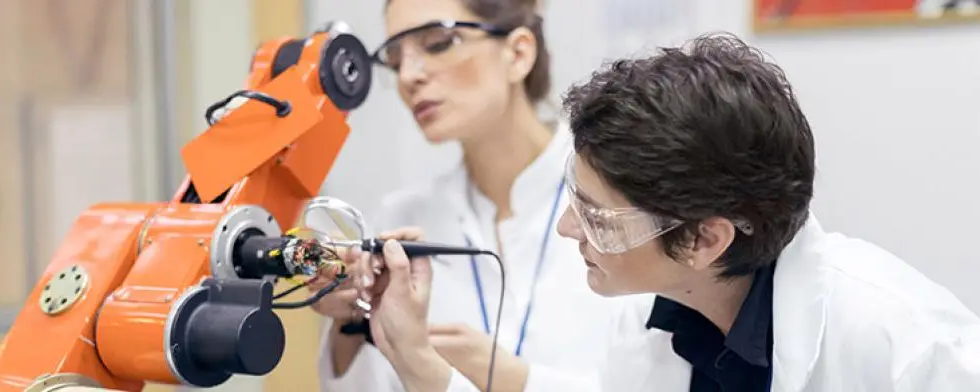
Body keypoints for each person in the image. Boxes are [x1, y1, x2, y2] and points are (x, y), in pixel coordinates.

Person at [360, 33, 980, 391]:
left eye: (597, 216)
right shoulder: (662, 320)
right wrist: (420, 361)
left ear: (706, 239)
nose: (566, 227)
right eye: (573, 197)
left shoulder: (904, 345)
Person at [308, 0, 614, 391]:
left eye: (438, 43)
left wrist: (513, 381)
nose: (408, 77)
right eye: (395, 59)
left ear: (518, 54)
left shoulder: (622, 197)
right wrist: (351, 322)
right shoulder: (399, 221)